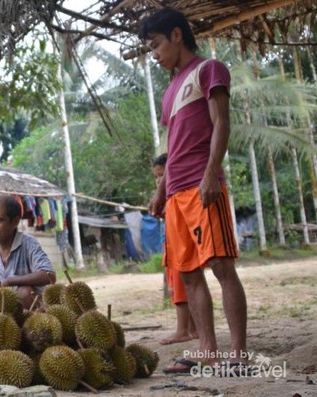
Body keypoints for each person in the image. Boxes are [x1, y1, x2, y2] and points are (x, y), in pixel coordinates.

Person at [140, 8, 247, 375]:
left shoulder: (208, 69)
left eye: (155, 45)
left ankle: (238, 352)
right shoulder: (170, 92)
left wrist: (211, 173)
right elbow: (172, 149)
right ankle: (207, 351)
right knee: (187, 274)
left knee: (220, 265)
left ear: (176, 35)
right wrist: (160, 191)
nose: (153, 54)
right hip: (175, 195)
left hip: (203, 185)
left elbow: (221, 123)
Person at [152, 153, 197, 345]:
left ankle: (182, 330)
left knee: (181, 289)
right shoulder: (168, 198)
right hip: (171, 248)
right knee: (181, 288)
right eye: (155, 177)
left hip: (180, 249)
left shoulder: (179, 195)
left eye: (162, 175)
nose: (158, 181)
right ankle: (194, 328)